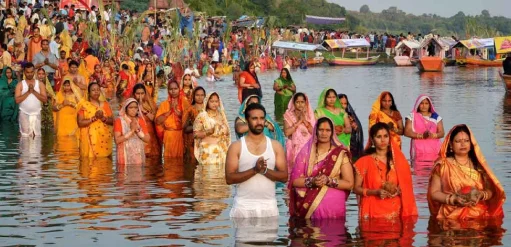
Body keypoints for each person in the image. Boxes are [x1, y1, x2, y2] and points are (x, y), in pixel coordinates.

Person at [427, 124, 505, 220]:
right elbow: (434, 193)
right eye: (458, 141)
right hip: (451, 216)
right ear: (451, 144)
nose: (463, 144)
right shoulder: (442, 165)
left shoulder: (479, 165)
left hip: (479, 214)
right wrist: (454, 199)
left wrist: (480, 195)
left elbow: (491, 191)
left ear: (471, 144)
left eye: (466, 141)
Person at [225, 103, 287, 218]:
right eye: (254, 118)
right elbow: (229, 178)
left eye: (262, 118)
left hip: (269, 209)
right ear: (247, 121)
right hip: (243, 208)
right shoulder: (236, 147)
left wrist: (264, 171)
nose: (259, 122)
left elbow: (284, 177)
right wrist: (254, 170)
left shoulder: (275, 146)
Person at [289, 117, 353, 219]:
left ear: (332, 133)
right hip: (308, 211)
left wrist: (328, 180)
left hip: (334, 211)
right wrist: (312, 181)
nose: (324, 133)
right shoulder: (305, 153)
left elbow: (349, 184)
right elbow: (295, 181)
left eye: (327, 130)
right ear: (316, 131)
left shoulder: (340, 154)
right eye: (321, 130)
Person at [353, 122, 418, 219]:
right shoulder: (363, 162)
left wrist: (399, 190)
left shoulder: (399, 162)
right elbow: (356, 188)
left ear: (389, 138)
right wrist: (375, 192)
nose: (383, 140)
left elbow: (406, 187)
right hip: (372, 212)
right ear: (372, 140)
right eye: (379, 137)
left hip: (395, 212)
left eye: (385, 136)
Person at [404, 95, 445, 164]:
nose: (424, 106)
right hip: (418, 149)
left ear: (430, 105)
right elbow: (407, 132)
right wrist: (422, 135)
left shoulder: (436, 117)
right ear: (418, 104)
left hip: (435, 149)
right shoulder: (412, 116)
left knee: (434, 171)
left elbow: (442, 133)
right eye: (421, 103)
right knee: (418, 170)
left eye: (426, 103)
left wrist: (432, 135)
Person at [76, 82, 114, 158]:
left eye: (97, 90)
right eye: (93, 90)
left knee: (104, 163)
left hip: (105, 139)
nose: (96, 91)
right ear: (89, 93)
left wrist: (103, 118)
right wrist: (94, 118)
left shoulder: (105, 104)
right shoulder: (84, 106)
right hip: (89, 140)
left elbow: (112, 121)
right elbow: (80, 123)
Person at [193, 92, 231, 165]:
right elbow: (195, 135)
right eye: (212, 101)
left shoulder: (221, 115)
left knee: (221, 175)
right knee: (208, 174)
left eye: (216, 101)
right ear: (207, 102)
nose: (214, 104)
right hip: (208, 152)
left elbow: (228, 133)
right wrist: (208, 132)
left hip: (222, 151)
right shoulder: (202, 116)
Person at [155, 81, 190, 158]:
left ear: (179, 89)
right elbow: (157, 121)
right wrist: (170, 111)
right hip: (169, 136)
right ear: (168, 90)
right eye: (171, 89)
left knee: (181, 162)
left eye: (175, 88)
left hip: (181, 135)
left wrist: (177, 112)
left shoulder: (185, 103)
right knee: (168, 162)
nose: (173, 91)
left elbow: (188, 119)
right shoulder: (164, 104)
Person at [283, 92, 314, 172]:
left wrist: (305, 121)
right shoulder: (288, 115)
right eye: (297, 102)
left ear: (305, 102)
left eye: (302, 102)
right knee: (294, 172)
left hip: (308, 147)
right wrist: (299, 121)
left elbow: (314, 132)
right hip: (293, 147)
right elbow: (287, 133)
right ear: (294, 103)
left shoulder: (309, 115)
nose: (300, 105)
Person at [114, 98, 150, 165]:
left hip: (138, 154)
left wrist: (138, 131)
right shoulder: (119, 121)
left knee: (138, 173)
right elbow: (117, 140)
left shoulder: (140, 120)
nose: (134, 110)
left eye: (135, 107)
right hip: (124, 155)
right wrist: (131, 131)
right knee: (124, 174)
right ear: (126, 109)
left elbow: (147, 139)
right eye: (131, 107)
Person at [15, 63, 47, 137]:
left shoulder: (40, 84)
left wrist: (34, 92)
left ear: (34, 72)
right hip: (24, 114)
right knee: (25, 137)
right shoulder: (20, 84)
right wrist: (28, 92)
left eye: (31, 72)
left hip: (37, 113)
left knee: (37, 137)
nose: (29, 74)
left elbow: (45, 99)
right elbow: (17, 100)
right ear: (24, 72)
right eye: (27, 72)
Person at [132, 83, 161, 157]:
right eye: (138, 93)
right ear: (134, 94)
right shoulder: (130, 105)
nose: (140, 96)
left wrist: (144, 111)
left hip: (151, 136)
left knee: (152, 160)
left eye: (142, 93)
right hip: (137, 136)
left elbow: (155, 120)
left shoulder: (150, 105)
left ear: (145, 93)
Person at [183, 87, 206, 165]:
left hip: (206, 139)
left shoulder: (208, 109)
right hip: (193, 140)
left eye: (202, 95)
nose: (200, 97)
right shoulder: (190, 109)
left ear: (205, 96)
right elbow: (185, 128)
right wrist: (197, 126)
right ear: (193, 96)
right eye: (197, 95)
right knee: (192, 164)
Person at [338, 94, 364, 160]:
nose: (343, 106)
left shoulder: (349, 116)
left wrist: (354, 127)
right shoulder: (333, 116)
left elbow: (356, 128)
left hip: (352, 144)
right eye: (341, 104)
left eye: (345, 104)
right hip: (339, 144)